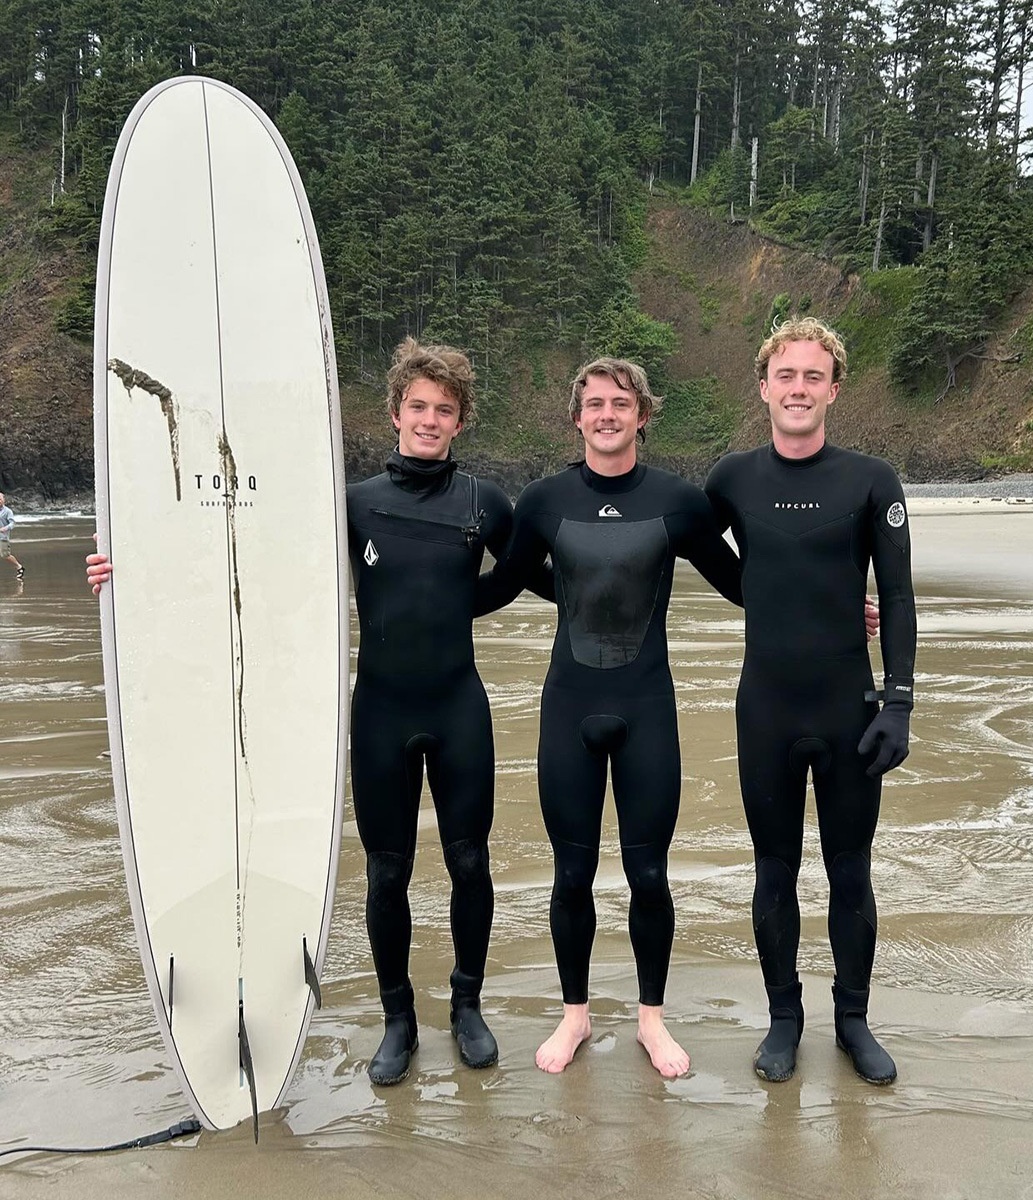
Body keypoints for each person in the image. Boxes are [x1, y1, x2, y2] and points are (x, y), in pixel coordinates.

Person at [87, 338, 553, 1086]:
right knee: (386, 871)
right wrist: (129, 567)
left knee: (471, 861)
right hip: (380, 712)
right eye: (419, 407)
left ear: (460, 421)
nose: (430, 420)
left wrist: (471, 603)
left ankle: (467, 1007)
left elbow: (536, 577)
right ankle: (398, 1019)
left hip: (459, 704)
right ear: (395, 411)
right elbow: (254, 562)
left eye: (445, 410)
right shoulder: (356, 503)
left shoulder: (484, 504)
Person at [475, 357, 745, 1079]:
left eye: (620, 404)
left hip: (646, 705)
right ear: (576, 417)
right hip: (569, 705)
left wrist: (842, 604)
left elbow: (745, 584)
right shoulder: (543, 501)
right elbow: (500, 585)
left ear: (642, 416)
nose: (606, 414)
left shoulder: (678, 502)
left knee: (649, 875)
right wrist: (401, 593)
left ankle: (651, 1021)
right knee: (572, 873)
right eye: (593, 403)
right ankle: (576, 1017)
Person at [704, 317, 916, 1086]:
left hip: (846, 707)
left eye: (812, 376)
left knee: (850, 869)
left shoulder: (870, 480)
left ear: (834, 388)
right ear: (763, 386)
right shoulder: (732, 479)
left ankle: (853, 1020)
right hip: (765, 707)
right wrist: (761, 595)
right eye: (785, 375)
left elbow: (896, 596)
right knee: (774, 869)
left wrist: (899, 703)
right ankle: (784, 1019)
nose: (798, 388)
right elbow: (690, 547)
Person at [1, 493, 24, 580]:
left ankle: (19, 567)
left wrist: (5, 528)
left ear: (4, 500)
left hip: (3, 537)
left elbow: (12, 523)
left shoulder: (7, 511)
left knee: (5, 555)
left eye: (0, 499)